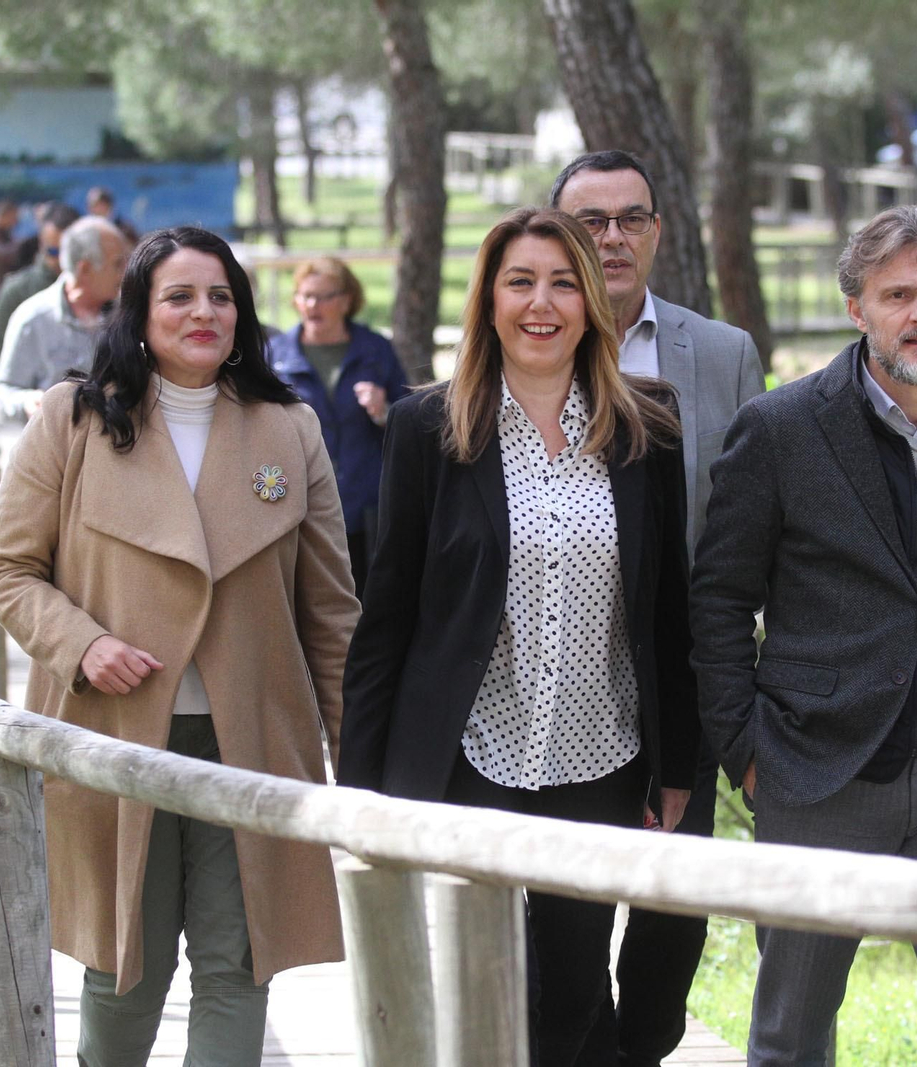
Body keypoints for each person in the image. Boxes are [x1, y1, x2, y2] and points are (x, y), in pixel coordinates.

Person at [0, 226, 360, 1067]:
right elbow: (7, 570)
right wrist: (83, 645)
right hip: (113, 741)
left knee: (239, 965)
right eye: (180, 295)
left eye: (221, 296)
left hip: (250, 747)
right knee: (124, 971)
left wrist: (355, 756)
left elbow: (331, 615)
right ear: (139, 312)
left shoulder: (289, 431)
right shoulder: (71, 417)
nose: (204, 312)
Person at [691, 204, 917, 1067]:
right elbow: (718, 599)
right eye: (898, 293)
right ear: (858, 308)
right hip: (817, 775)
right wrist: (746, 749)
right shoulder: (780, 429)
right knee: (792, 1032)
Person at [338, 207, 700, 1067]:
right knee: (484, 987)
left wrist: (678, 764)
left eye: (564, 282)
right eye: (520, 281)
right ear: (489, 300)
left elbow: (667, 609)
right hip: (471, 756)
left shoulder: (647, 423)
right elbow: (386, 615)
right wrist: (358, 788)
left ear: (591, 303)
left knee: (575, 999)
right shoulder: (430, 427)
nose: (543, 303)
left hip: (600, 760)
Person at [551, 149, 764, 1067]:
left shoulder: (721, 355)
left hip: (688, 675)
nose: (612, 238)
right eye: (590, 220)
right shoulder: (527, 335)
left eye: (630, 218)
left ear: (657, 232)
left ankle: (641, 1047)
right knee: (564, 912)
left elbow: (760, 521)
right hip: (560, 675)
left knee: (674, 911)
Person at [269, 257, 410, 595]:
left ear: (347, 300)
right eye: (305, 296)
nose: (313, 305)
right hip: (301, 508)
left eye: (325, 296)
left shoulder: (376, 350)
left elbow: (410, 425)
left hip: (366, 510)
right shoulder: (275, 355)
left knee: (366, 604)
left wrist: (383, 410)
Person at [0, 216, 130, 424]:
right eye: (117, 264)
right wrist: (28, 402)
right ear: (85, 269)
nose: (124, 273)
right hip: (54, 450)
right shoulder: (34, 318)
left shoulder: (126, 317)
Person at [0, 201, 81, 381]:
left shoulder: (104, 293)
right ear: (42, 245)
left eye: (70, 252)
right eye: (53, 251)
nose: (61, 260)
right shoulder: (17, 290)